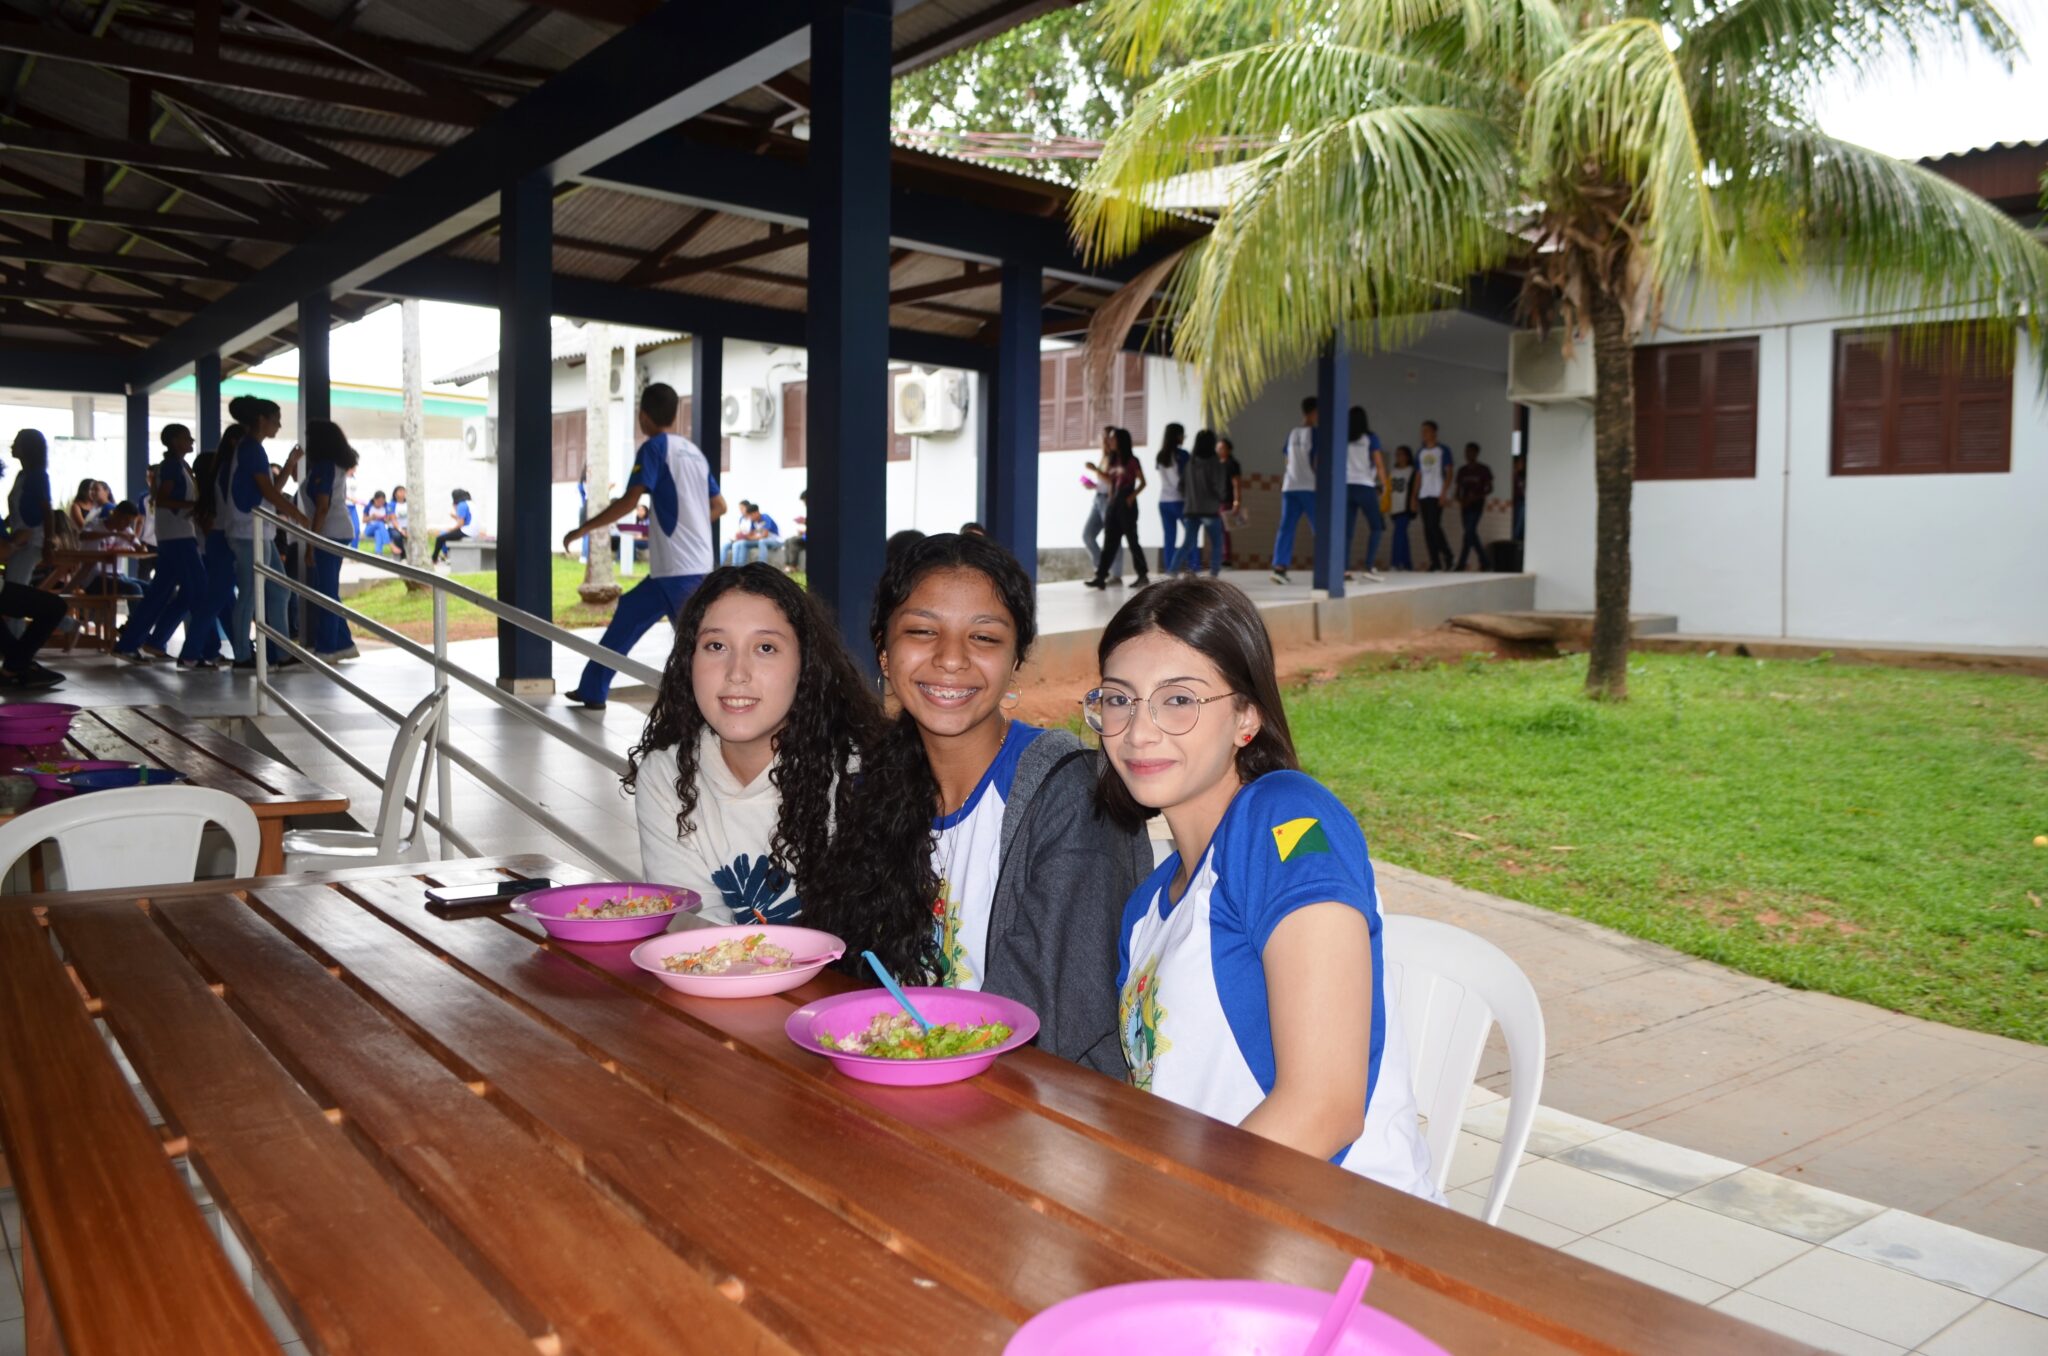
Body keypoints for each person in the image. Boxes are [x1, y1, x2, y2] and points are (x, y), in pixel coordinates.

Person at [1088, 578, 1439, 1198]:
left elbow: (1325, 1108)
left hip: (1340, 1234)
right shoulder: (1146, 909)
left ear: (1246, 717)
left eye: (1178, 701)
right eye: (1120, 700)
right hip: (1221, 1223)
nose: (1139, 732)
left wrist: (1167, 1217)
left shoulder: (1287, 818)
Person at [806, 533, 1152, 1074]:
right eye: (922, 631)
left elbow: (1051, 1025)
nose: (950, 659)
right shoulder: (872, 792)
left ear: (1016, 660)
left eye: (984, 638)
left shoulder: (1068, 799)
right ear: (883, 650)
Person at [625, 563, 881, 927]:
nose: (737, 672)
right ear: (688, 661)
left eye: (765, 647)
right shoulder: (667, 777)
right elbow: (698, 935)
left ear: (805, 665)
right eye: (716, 645)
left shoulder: (858, 775)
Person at [562, 382, 723, 709]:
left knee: (698, 645)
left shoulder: (654, 449)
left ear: (643, 416)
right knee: (629, 613)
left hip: (679, 572)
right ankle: (593, 689)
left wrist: (584, 529)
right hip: (681, 568)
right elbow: (720, 505)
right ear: (675, 414)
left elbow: (630, 500)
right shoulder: (693, 453)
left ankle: (717, 710)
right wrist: (691, 527)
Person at [192, 395, 307, 671]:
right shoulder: (251, 449)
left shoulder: (253, 449)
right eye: (276, 419)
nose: (279, 425)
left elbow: (269, 492)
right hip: (247, 533)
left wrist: (290, 463)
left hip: (260, 532)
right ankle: (243, 655)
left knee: (279, 592)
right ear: (261, 420)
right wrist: (298, 515)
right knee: (249, 594)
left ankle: (279, 652)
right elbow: (267, 492)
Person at [116, 424, 206, 666]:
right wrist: (193, 507)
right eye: (187, 437)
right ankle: (196, 650)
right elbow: (163, 499)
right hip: (177, 537)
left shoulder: (181, 466)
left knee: (160, 593)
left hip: (174, 535)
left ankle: (140, 643)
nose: (192, 440)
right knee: (199, 588)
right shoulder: (171, 466)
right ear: (176, 441)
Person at [300, 421, 361, 661]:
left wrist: (311, 543)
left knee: (325, 593)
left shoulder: (324, 467)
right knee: (328, 590)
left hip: (329, 532)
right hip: (336, 530)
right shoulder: (332, 466)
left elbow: (322, 508)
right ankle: (342, 643)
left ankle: (327, 649)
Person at [1085, 428, 1147, 590]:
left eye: (1113, 439)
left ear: (1121, 441)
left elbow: (1143, 482)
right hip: (1113, 503)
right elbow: (1112, 482)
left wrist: (1131, 497)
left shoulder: (1132, 461)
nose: (1110, 442)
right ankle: (1101, 576)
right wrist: (1111, 499)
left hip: (1127, 503)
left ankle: (1142, 575)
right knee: (1109, 541)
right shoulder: (1112, 461)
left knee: (1132, 541)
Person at [1268, 397, 1318, 585]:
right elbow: (1317, 462)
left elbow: (1287, 460)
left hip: (1290, 486)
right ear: (1314, 412)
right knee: (1320, 528)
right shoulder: (1316, 433)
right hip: (1310, 487)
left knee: (1286, 527)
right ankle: (1327, 567)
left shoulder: (1293, 433)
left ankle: (1279, 567)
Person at [6, 429, 54, 591]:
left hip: (33, 541)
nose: (12, 446)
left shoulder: (38, 476)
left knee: (15, 586)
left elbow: (47, 511)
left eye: (17, 442)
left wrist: (48, 542)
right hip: (19, 538)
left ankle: (16, 617)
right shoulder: (22, 475)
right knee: (13, 583)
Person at [1343, 405, 1387, 583]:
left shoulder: (1342, 438)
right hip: (1365, 486)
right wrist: (1384, 485)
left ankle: (1344, 569)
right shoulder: (1370, 438)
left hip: (1346, 487)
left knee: (1347, 532)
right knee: (1377, 526)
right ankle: (1369, 565)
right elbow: (1379, 463)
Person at [1179, 428, 1228, 578]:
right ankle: (1214, 574)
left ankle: (1172, 572)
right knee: (1217, 543)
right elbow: (1219, 486)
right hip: (1210, 510)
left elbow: (1181, 487)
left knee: (1187, 544)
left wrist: (1190, 498)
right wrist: (1221, 498)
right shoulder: (1215, 463)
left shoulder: (1190, 463)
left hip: (1191, 509)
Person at [1415, 422, 1454, 572]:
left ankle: (1448, 555)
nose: (1424, 434)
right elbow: (1418, 475)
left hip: (1437, 493)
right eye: (1422, 431)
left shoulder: (1442, 450)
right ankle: (1435, 561)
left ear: (1434, 433)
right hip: (1424, 493)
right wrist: (1414, 496)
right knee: (1427, 528)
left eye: (1427, 431)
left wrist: (1444, 493)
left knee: (1434, 526)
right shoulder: (1420, 452)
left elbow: (1449, 472)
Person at [1153, 422, 1188, 576]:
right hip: (1179, 501)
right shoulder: (1182, 455)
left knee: (1169, 538)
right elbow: (1178, 481)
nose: (1183, 438)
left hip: (1163, 501)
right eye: (1182, 435)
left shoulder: (1161, 455)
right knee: (1190, 535)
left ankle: (1170, 571)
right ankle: (1194, 568)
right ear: (1177, 436)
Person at [1454, 442, 1494, 572]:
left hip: (1476, 505)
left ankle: (1461, 564)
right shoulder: (1462, 471)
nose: (1468, 454)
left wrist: (1475, 497)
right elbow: (1457, 490)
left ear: (1476, 453)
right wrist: (1460, 500)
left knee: (1469, 533)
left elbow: (1489, 488)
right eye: (1466, 451)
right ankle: (1485, 562)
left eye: (1471, 451)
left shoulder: (1483, 469)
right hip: (1464, 506)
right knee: (1470, 534)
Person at [1080, 430, 1114, 577]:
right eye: (1103, 437)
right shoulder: (1104, 457)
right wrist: (1093, 485)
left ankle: (1111, 572)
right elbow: (1104, 482)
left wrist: (1095, 469)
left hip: (1109, 499)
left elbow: (1113, 482)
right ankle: (1102, 569)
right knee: (1087, 535)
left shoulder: (1116, 459)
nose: (1105, 441)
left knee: (1112, 537)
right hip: (1098, 498)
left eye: (1108, 437)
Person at [720, 500, 781, 566]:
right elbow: (750, 534)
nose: (750, 518)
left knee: (762, 541)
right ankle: (739, 567)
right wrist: (744, 536)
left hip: (775, 540)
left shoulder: (765, 517)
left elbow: (765, 535)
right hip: (759, 540)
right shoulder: (753, 521)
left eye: (751, 516)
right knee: (743, 543)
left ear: (756, 513)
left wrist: (749, 537)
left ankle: (761, 566)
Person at [1386, 447, 1417, 572]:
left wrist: (1413, 504)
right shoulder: (1393, 471)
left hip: (1405, 508)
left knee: (1398, 534)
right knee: (1402, 535)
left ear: (1407, 457)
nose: (1398, 457)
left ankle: (1395, 562)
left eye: (1401, 454)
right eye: (1396, 454)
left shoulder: (1411, 471)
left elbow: (1414, 489)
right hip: (1395, 507)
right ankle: (1407, 564)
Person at [1217, 435, 1243, 566]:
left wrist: (1237, 501)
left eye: (1222, 448)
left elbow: (1236, 483)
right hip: (1216, 501)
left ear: (1229, 449)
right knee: (1218, 530)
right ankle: (1220, 557)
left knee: (1224, 530)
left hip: (1227, 500)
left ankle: (1226, 558)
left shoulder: (1232, 464)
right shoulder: (1216, 464)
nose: (1219, 450)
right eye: (1218, 447)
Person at [431, 489, 472, 564]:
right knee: (444, 534)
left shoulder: (461, 505)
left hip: (467, 531)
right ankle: (447, 556)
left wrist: (450, 530)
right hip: (471, 530)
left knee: (440, 538)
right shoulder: (469, 503)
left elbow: (460, 524)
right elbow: (464, 520)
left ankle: (434, 559)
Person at [362, 490, 393, 555]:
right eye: (379, 501)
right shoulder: (369, 506)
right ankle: (388, 543)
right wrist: (371, 517)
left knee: (378, 532)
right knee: (379, 524)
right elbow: (363, 520)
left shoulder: (386, 507)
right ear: (375, 500)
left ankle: (378, 552)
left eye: (382, 502)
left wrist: (386, 519)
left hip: (380, 530)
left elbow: (388, 521)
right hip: (369, 529)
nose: (380, 503)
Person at [389, 484, 410, 559]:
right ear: (395, 494)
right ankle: (403, 554)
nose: (403, 493)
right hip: (395, 528)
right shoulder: (392, 504)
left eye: (404, 491)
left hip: (407, 527)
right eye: (400, 491)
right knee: (397, 536)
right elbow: (393, 519)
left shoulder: (409, 504)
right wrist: (401, 530)